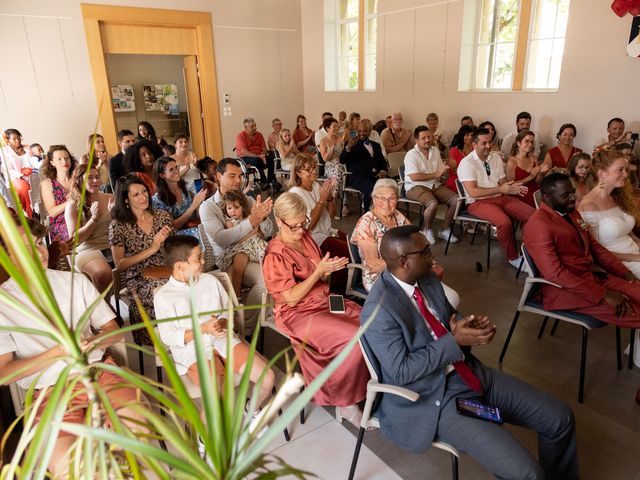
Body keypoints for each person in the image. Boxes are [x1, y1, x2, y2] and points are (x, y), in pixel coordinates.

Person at [361, 224, 579, 479]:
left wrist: (468, 327)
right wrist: (454, 340)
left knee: (560, 419)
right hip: (434, 398)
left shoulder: (426, 278)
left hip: (469, 372)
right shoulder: (379, 309)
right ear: (403, 261)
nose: (433, 255)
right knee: (528, 474)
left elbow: (448, 316)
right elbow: (401, 371)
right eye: (426, 250)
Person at [0, 216, 148, 478]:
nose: (39, 252)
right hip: (50, 392)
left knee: (138, 439)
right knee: (70, 467)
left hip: (100, 372)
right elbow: (5, 373)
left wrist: (89, 343)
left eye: (39, 243)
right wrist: (57, 353)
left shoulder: (74, 282)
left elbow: (113, 332)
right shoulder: (3, 303)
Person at [262, 192, 370, 427]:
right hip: (296, 312)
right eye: (294, 226)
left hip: (322, 299)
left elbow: (318, 272)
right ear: (279, 221)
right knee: (353, 338)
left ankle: (368, 383)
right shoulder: (275, 254)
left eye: (303, 222)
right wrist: (319, 272)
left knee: (369, 322)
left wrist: (327, 270)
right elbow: (290, 299)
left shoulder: (305, 235)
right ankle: (345, 403)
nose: (301, 229)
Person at [154, 234, 275, 405]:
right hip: (194, 352)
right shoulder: (164, 297)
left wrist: (222, 322)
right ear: (180, 266)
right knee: (218, 397)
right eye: (198, 258)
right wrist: (204, 329)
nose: (203, 261)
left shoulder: (210, 281)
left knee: (268, 377)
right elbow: (168, 337)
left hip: (224, 341)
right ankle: (216, 430)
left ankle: (252, 410)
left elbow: (227, 311)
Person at [523, 172, 640, 331]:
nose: (573, 198)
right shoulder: (538, 225)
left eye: (573, 192)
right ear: (547, 197)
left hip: (594, 276)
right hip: (567, 289)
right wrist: (604, 294)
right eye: (566, 195)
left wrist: (625, 274)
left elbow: (596, 248)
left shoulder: (571, 212)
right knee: (635, 312)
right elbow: (555, 274)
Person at [578, 150, 640, 367]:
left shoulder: (616, 196)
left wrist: (638, 246)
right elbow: (596, 253)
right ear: (603, 174)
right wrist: (635, 256)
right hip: (616, 263)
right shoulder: (587, 206)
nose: (626, 173)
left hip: (633, 253)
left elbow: (628, 230)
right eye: (620, 170)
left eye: (626, 168)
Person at [199, 158, 273, 334]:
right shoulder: (207, 207)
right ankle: (245, 328)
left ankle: (261, 316)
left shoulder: (246, 200)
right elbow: (222, 239)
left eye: (240, 176)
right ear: (218, 176)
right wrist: (252, 221)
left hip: (254, 249)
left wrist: (260, 222)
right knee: (266, 280)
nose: (238, 181)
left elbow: (269, 229)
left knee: (278, 271)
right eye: (232, 176)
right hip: (228, 257)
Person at [109, 174, 174, 346]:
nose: (144, 197)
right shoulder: (119, 225)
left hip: (165, 269)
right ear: (125, 200)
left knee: (191, 285)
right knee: (160, 291)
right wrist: (152, 247)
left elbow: (172, 251)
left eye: (144, 191)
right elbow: (120, 264)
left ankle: (186, 339)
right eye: (136, 194)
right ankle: (169, 341)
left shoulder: (162, 216)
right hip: (138, 276)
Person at [457, 128, 535, 269]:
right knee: (504, 223)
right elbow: (473, 192)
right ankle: (513, 258)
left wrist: (512, 188)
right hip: (478, 202)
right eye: (484, 143)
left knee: (534, 216)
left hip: (500, 197)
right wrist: (501, 189)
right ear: (474, 144)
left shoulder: (496, 157)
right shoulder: (466, 163)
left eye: (490, 142)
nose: (488, 146)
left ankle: (530, 253)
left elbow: (503, 183)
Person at [288, 154, 348, 293]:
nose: (314, 172)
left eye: (315, 168)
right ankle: (336, 292)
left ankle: (348, 286)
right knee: (345, 253)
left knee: (354, 243)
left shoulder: (315, 185)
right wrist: (321, 200)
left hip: (326, 231)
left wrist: (331, 198)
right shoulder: (296, 194)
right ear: (298, 172)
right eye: (308, 170)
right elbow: (310, 226)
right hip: (312, 238)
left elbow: (332, 215)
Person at [352, 179, 410, 291]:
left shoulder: (397, 215)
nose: (387, 204)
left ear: (397, 199)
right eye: (382, 198)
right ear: (374, 199)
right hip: (379, 278)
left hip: (404, 271)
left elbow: (414, 237)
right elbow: (373, 265)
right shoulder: (367, 223)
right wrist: (406, 261)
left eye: (392, 198)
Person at [403, 125, 458, 244]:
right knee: (433, 204)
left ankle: (444, 229)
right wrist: (436, 174)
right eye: (423, 138)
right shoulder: (411, 154)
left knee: (457, 200)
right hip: (414, 186)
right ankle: (426, 229)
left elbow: (439, 173)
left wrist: (444, 172)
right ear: (416, 140)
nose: (428, 140)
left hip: (433, 184)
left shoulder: (435, 151)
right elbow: (414, 177)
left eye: (429, 137)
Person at [64, 164, 113, 293]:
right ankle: (103, 307)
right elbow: (76, 240)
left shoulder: (110, 198)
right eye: (89, 178)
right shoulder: (73, 205)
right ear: (79, 182)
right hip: (87, 249)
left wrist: (116, 217)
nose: (95, 181)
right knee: (103, 273)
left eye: (97, 177)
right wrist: (94, 219)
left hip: (113, 245)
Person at [217, 190, 268, 297]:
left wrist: (257, 231)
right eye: (229, 208)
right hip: (240, 248)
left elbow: (262, 236)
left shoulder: (250, 218)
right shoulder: (230, 222)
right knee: (238, 267)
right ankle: (236, 293)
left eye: (236, 207)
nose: (232, 211)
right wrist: (251, 233)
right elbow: (236, 240)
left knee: (269, 260)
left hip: (256, 246)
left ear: (243, 207)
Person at [152, 157, 207, 239]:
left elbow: (197, 212)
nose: (176, 171)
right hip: (177, 236)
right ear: (162, 175)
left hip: (195, 226)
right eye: (171, 169)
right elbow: (171, 228)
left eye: (176, 167)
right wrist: (193, 207)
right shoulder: (157, 200)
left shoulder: (185, 187)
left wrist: (199, 204)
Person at [340, 120, 388, 211]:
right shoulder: (351, 144)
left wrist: (383, 171)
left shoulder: (376, 145)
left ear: (370, 132)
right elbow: (342, 160)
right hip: (358, 177)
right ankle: (368, 213)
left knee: (391, 186)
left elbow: (382, 161)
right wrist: (348, 147)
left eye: (365, 131)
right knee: (371, 189)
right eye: (359, 131)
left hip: (376, 176)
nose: (362, 133)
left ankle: (387, 212)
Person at [41, 144, 77, 241]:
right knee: (76, 233)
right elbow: (52, 212)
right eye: (59, 159)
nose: (64, 161)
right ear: (52, 163)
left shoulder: (77, 179)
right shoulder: (47, 184)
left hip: (81, 217)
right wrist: (70, 202)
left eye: (67, 158)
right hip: (61, 224)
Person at [506, 130, 549, 208]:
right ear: (518, 143)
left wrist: (541, 173)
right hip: (520, 193)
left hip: (535, 190)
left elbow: (537, 181)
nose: (530, 144)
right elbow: (511, 185)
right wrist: (531, 176)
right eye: (527, 141)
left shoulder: (533, 158)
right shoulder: (512, 162)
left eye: (532, 142)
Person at [235, 117, 277, 189]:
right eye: (252, 126)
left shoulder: (259, 135)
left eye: (255, 126)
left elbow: (264, 148)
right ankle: (263, 181)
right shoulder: (240, 136)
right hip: (246, 157)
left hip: (260, 156)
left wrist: (264, 154)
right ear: (246, 127)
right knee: (256, 160)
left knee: (271, 157)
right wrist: (258, 156)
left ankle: (271, 179)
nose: (255, 128)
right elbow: (244, 152)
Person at [318, 117, 348, 215]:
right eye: (334, 126)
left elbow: (347, 131)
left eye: (337, 126)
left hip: (342, 164)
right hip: (330, 166)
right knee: (339, 170)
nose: (336, 128)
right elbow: (324, 159)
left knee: (340, 168)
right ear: (327, 128)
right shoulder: (323, 141)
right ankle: (335, 198)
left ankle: (333, 197)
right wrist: (332, 148)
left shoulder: (340, 137)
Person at [1, 128, 33, 216]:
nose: (17, 140)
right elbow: (7, 169)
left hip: (32, 174)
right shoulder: (4, 151)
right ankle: (29, 214)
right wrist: (21, 174)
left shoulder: (27, 148)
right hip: (15, 177)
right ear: (8, 140)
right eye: (14, 139)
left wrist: (32, 170)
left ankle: (39, 211)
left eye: (18, 137)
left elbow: (35, 161)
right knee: (23, 188)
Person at [447, 124, 476, 193]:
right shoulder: (454, 150)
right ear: (462, 136)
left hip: (473, 177)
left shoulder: (475, 149)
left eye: (471, 135)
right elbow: (454, 171)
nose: (470, 137)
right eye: (467, 135)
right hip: (457, 179)